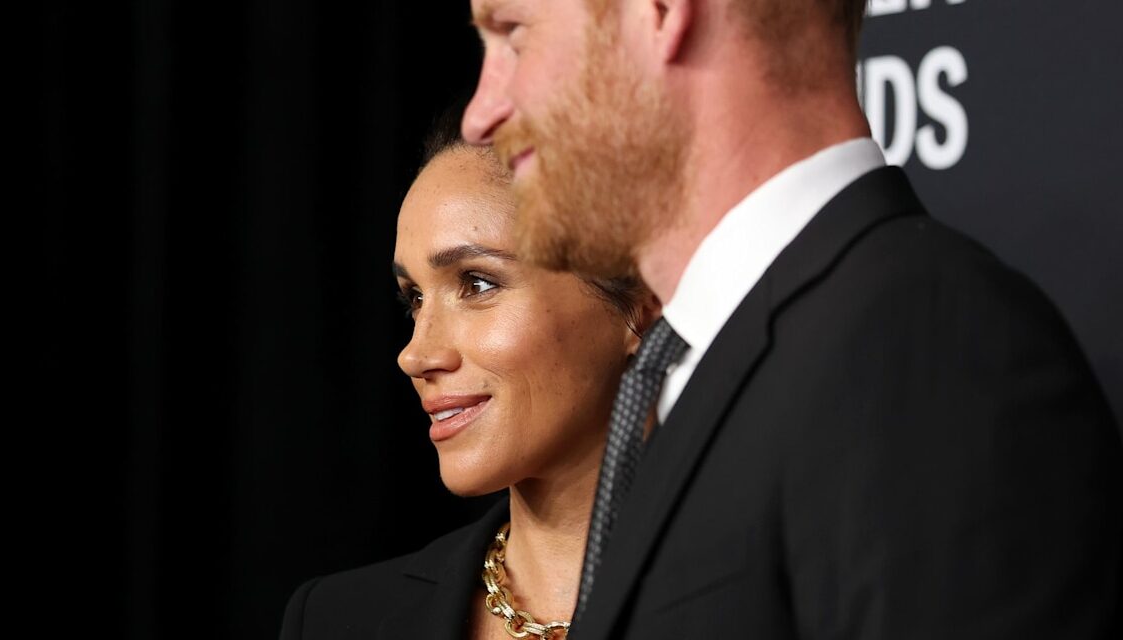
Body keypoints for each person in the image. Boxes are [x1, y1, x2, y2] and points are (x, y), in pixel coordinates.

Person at [461, 0, 1123, 638]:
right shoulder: (691, 368)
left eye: (515, 34)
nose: (479, 115)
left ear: (660, 10)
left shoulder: (927, 347)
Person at [280, 111, 657, 639]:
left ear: (644, 302)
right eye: (414, 298)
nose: (415, 355)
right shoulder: (335, 621)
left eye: (477, 284)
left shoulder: (777, 602)